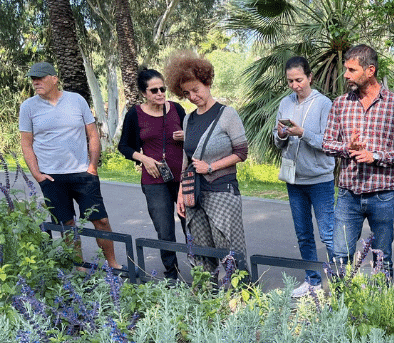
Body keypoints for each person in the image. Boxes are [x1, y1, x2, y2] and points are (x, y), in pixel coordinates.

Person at [19, 61, 124, 272]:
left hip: (83, 173)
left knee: (101, 220)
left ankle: (112, 263)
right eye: (33, 79)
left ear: (54, 79)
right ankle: (79, 267)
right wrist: (37, 174)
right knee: (66, 224)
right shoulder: (28, 107)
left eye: (40, 77)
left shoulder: (76, 100)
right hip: (51, 177)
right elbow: (26, 143)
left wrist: (93, 166)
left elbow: (93, 134)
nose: (35, 82)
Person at [323, 44, 394, 270]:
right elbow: (326, 144)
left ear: (370, 70)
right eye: (346, 69)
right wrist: (347, 148)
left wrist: (375, 156)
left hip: (382, 195)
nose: (346, 75)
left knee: (382, 259)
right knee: (340, 256)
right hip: (348, 195)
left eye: (352, 70)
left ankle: (383, 305)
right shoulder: (340, 104)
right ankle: (340, 303)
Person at [167, 51, 249, 276]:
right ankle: (206, 297)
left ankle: (242, 296)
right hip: (195, 194)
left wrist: (212, 167)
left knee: (229, 247)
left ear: (207, 82)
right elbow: (186, 158)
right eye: (186, 93)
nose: (193, 96)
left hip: (222, 191)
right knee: (201, 249)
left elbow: (242, 152)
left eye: (196, 90)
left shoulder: (227, 115)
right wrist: (181, 193)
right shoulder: (189, 119)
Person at [273, 57, 335, 297]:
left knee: (328, 234)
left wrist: (303, 133)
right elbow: (277, 140)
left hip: (319, 179)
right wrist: (281, 134)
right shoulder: (285, 103)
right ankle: (312, 280)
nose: (295, 85)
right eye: (290, 81)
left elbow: (328, 143)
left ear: (310, 77)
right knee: (303, 234)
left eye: (299, 80)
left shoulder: (323, 104)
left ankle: (341, 281)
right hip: (294, 179)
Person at [117, 69, 186, 280]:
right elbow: (124, 146)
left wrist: (186, 136)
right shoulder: (134, 115)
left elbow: (194, 139)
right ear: (144, 93)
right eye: (154, 90)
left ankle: (202, 269)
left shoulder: (177, 109)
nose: (160, 93)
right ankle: (172, 275)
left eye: (162, 89)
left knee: (191, 225)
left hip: (183, 177)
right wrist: (144, 159)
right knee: (165, 229)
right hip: (154, 180)